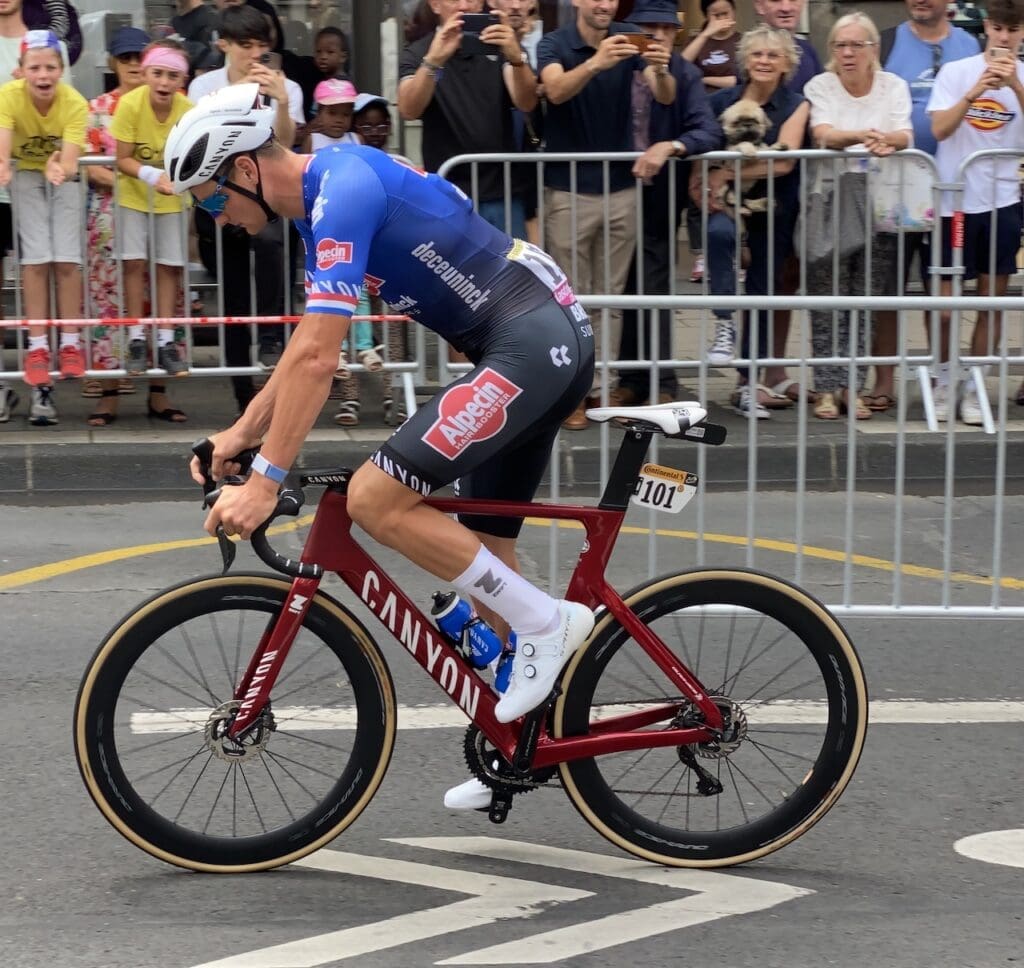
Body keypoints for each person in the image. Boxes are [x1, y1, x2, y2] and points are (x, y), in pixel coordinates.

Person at [168, 83, 597, 811]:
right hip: (524, 339)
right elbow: (309, 342)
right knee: (487, 551)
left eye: (211, 201)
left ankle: (551, 624)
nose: (218, 221)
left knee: (374, 497)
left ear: (243, 170)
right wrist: (238, 436)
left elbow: (319, 362)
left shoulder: (344, 187)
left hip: (529, 342)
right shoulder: (321, 204)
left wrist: (267, 478)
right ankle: (522, 740)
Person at [538, 0, 676, 429]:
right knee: (571, 297)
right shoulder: (554, 43)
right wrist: (598, 62)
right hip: (568, 188)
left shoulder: (629, 33)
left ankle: (601, 388)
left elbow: (665, 97)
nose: (604, 4)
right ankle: (570, 393)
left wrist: (660, 68)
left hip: (621, 187)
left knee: (612, 299)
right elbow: (555, 90)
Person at [864, 0, 981, 412]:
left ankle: (943, 376)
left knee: (944, 292)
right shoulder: (889, 40)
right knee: (888, 288)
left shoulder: (971, 45)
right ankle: (884, 382)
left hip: (954, 187)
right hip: (897, 185)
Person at [188, 2, 303, 413]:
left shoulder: (284, 86)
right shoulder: (204, 88)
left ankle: (272, 341)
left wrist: (282, 104)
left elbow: (287, 146)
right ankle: (242, 392)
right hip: (218, 192)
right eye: (246, 45)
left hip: (264, 196)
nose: (255, 54)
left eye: (261, 45)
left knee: (273, 245)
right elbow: (199, 150)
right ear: (224, 44)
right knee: (234, 291)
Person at [804, 12, 913, 421]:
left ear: (874, 49)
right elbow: (823, 133)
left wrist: (887, 140)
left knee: (863, 300)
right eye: (839, 45)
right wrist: (867, 138)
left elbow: (906, 134)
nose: (847, 53)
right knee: (826, 299)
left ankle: (854, 386)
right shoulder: (821, 85)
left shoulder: (894, 86)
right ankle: (826, 389)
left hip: (879, 204)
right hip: (830, 202)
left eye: (856, 45)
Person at [613, 0, 722, 407]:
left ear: (677, 33)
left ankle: (662, 381)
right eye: (648, 28)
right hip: (608, 187)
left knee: (654, 283)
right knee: (620, 285)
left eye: (665, 28)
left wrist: (672, 146)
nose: (657, 36)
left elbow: (707, 130)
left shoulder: (684, 71)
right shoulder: (619, 61)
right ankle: (629, 377)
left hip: (659, 189)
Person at [699, 25, 809, 418]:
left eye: (772, 55)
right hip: (723, 207)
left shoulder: (796, 104)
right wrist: (704, 182)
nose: (764, 61)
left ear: (786, 64)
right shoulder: (721, 100)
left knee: (764, 289)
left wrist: (724, 173)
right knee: (720, 236)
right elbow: (703, 152)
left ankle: (749, 382)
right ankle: (724, 322)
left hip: (774, 208)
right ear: (746, 60)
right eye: (757, 54)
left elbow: (783, 162)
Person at [81, 27, 189, 426]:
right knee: (114, 299)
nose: (131, 66)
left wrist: (167, 183)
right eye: (125, 59)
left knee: (167, 282)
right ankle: (110, 394)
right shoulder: (102, 107)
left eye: (135, 58)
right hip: (113, 214)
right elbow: (98, 164)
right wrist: (147, 177)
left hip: (161, 202)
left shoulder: (181, 105)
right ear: (115, 63)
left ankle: (158, 391)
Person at [926, 0, 1024, 424]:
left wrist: (1016, 85)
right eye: (998, 29)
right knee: (945, 306)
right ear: (987, 28)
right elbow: (939, 129)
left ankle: (975, 385)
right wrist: (976, 91)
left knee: (991, 299)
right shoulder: (956, 71)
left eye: (1013, 31)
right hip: (955, 203)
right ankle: (945, 377)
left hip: (1002, 200)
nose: (1004, 38)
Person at [0, 29, 87, 426]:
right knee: (35, 262)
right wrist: (3, 166)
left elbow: (69, 160)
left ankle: (70, 342)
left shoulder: (74, 102)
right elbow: (3, 149)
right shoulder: (7, 96)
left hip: (62, 178)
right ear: (21, 71)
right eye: (35, 67)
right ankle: (37, 347)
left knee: (66, 260)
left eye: (51, 67)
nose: (43, 74)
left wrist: (61, 167)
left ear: (61, 70)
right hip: (24, 176)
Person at [398, 1, 538, 240]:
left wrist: (517, 59)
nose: (464, 5)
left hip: (502, 191)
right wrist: (433, 61)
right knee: (453, 276)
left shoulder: (499, 43)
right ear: (435, 5)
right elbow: (408, 109)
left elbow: (526, 102)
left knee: (508, 273)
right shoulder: (419, 51)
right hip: (447, 193)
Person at [681, 0, 739, 284]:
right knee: (697, 190)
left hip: (731, 123)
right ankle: (700, 253)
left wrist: (704, 78)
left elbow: (739, 81)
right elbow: (682, 66)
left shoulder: (741, 43)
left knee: (729, 189)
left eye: (725, 14)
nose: (721, 19)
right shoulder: (698, 42)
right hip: (699, 123)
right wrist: (706, 34)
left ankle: (733, 252)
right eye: (715, 15)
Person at [301, 76, 359, 151]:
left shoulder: (356, 140)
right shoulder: (312, 141)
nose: (339, 120)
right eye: (332, 113)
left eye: (346, 114)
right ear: (319, 114)